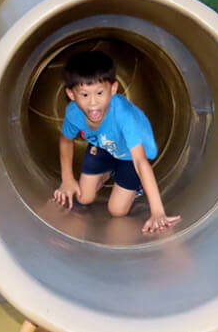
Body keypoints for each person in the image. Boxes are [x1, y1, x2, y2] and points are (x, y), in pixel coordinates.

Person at [52, 50, 181, 234]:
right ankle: (106, 174)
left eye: (99, 93)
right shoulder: (73, 113)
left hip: (130, 154)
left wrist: (157, 211)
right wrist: (67, 179)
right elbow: (66, 141)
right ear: (71, 94)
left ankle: (133, 185)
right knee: (83, 198)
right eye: (84, 95)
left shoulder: (124, 115)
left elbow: (140, 161)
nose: (93, 103)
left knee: (117, 211)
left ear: (113, 89)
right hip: (104, 146)